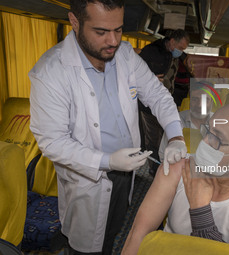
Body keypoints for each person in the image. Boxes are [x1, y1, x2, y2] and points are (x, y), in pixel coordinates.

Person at [29, 0, 187, 254]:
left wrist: (176, 136)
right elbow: (52, 142)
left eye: (119, 30)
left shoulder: (124, 55)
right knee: (85, 243)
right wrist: (107, 160)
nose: (113, 41)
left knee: (113, 227)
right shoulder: (50, 72)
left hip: (127, 170)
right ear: (75, 21)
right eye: (101, 32)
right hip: (88, 174)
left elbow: (157, 96)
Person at [122, 103, 229, 255]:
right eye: (207, 131)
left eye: (218, 140)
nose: (205, 143)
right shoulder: (178, 169)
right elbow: (138, 234)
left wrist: (200, 208)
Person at [138, 29, 190, 176]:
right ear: (172, 41)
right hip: (149, 106)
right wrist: (149, 78)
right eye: (180, 48)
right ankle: (154, 168)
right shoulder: (151, 52)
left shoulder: (171, 53)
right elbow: (135, 74)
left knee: (165, 135)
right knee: (153, 138)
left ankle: (163, 162)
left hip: (165, 102)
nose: (181, 52)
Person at [158, 82, 214, 161]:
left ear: (211, 102)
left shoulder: (220, 123)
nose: (200, 105)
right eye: (195, 99)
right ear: (189, 101)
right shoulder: (175, 121)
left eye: (205, 100)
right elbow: (163, 155)